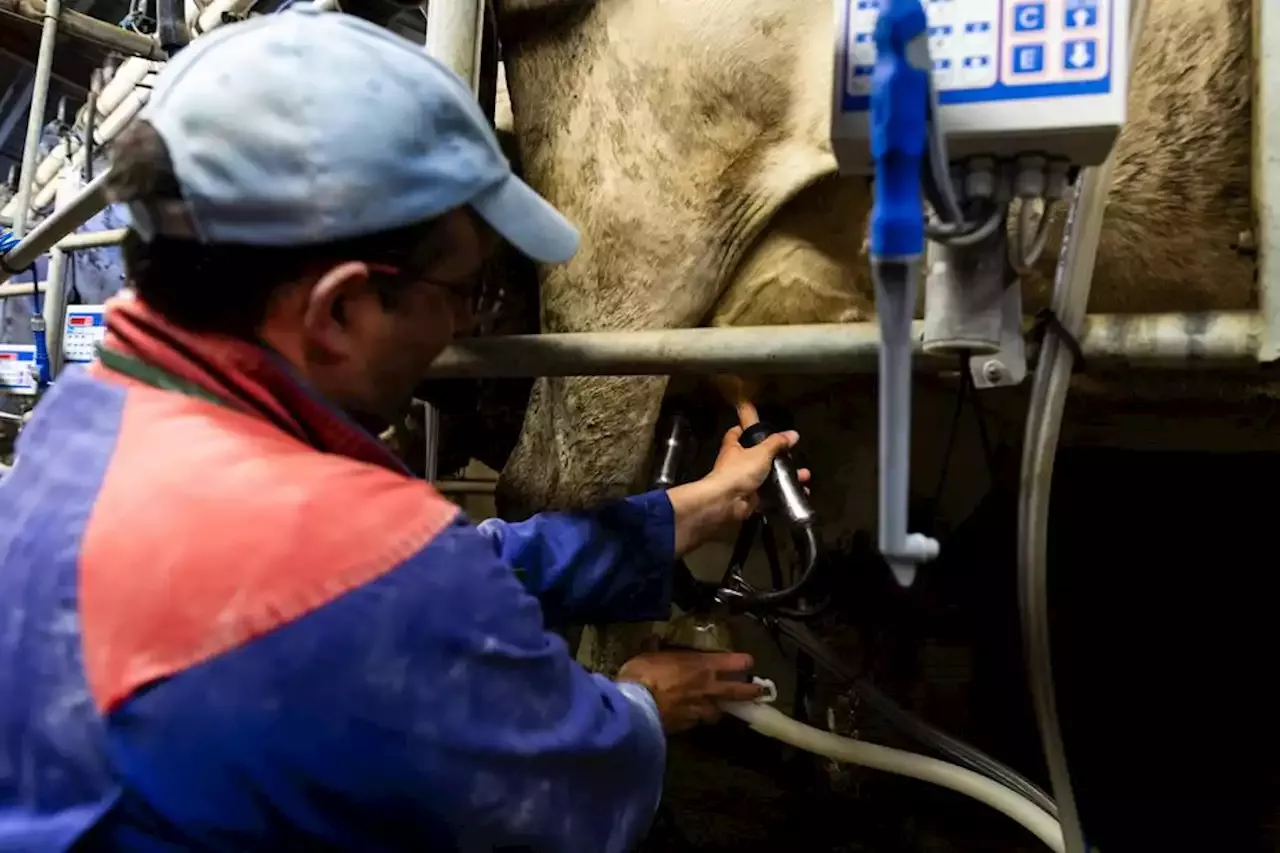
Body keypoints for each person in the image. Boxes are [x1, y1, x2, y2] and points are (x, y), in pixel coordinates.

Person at [0, 6, 808, 851]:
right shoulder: (364, 567)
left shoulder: (77, 427)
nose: (458, 330)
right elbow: (568, 791)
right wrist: (641, 705)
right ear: (341, 307)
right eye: (461, 293)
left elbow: (424, 575)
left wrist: (685, 513)